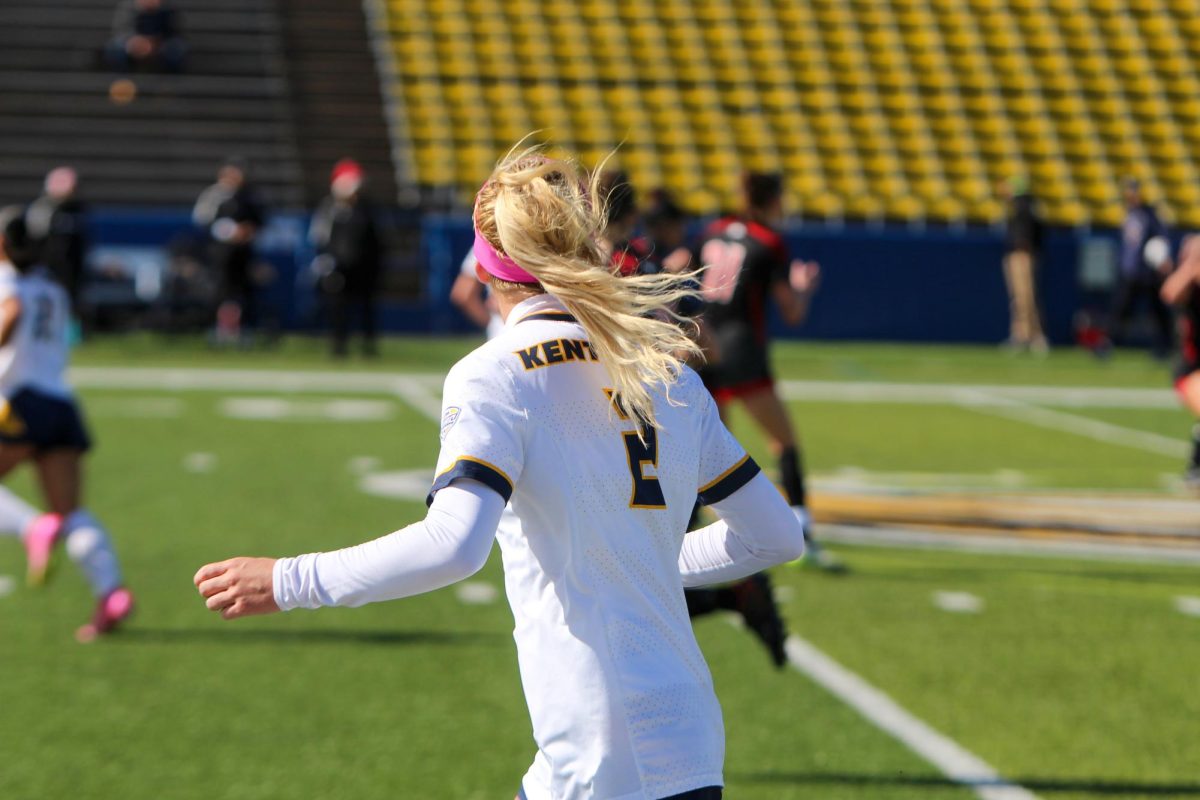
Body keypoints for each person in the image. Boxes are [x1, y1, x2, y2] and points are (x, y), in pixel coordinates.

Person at [194, 150, 806, 800]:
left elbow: (453, 546)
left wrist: (291, 580)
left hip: (596, 750)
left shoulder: (495, 372)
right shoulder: (670, 372)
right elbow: (775, 538)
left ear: (486, 265)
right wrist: (633, 557)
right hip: (691, 741)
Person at [597, 172, 791, 666]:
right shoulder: (642, 259)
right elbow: (691, 332)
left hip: (623, 414)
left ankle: (735, 597)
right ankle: (736, 597)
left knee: (625, 571)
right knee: (636, 564)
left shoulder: (600, 265)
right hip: (657, 411)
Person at [694, 172, 841, 572]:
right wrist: (804, 287)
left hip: (703, 346)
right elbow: (791, 311)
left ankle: (686, 537)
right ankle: (804, 531)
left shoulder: (712, 230)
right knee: (783, 442)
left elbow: (680, 277)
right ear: (774, 199)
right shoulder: (770, 242)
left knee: (705, 452)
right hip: (742, 350)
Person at [0, 207, 133, 641]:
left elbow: (11, 311)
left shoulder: (7, 283)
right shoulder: (52, 288)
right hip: (60, 404)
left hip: (20, 402)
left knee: (50, 517)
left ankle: (29, 528)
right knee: (71, 512)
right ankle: (111, 592)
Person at [309, 159, 383, 358]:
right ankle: (338, 346)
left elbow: (375, 240)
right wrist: (327, 262)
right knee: (338, 309)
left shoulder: (366, 210)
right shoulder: (329, 209)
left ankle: (368, 347)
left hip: (363, 269)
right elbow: (320, 237)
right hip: (338, 268)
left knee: (366, 309)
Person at [193, 159, 266, 346]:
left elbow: (261, 220)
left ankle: (242, 330)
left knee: (243, 291)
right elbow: (203, 220)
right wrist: (229, 232)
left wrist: (248, 231)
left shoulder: (249, 196)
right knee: (220, 291)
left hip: (243, 253)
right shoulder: (214, 195)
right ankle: (219, 330)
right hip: (220, 254)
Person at [1112, 177, 1174, 357]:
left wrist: (1164, 259)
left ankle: (1164, 346)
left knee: (1157, 311)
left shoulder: (1149, 214)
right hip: (1130, 271)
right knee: (1121, 309)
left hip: (1147, 273)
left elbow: (1160, 239)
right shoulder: (1128, 214)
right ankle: (1111, 342)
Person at [1160, 234, 1200, 488]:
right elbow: (1170, 293)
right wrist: (1192, 263)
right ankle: (1195, 470)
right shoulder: (1187, 288)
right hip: (1189, 371)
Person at [26, 167, 89, 317]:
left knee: (70, 303)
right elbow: (36, 240)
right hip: (49, 267)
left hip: (72, 267)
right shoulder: (43, 208)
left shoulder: (78, 209)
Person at [999, 176, 1047, 354]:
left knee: (1024, 298)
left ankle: (1030, 336)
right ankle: (1023, 335)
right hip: (1022, 255)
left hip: (1022, 256)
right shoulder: (1029, 207)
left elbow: (1025, 235)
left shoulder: (1023, 207)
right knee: (1021, 299)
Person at [105, 0, 186, 73]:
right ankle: (121, 80)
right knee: (116, 47)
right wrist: (135, 41)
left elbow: (173, 32)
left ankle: (170, 84)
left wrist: (155, 42)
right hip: (133, 42)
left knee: (175, 48)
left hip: (160, 43)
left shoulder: (168, 8)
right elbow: (121, 30)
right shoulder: (128, 6)